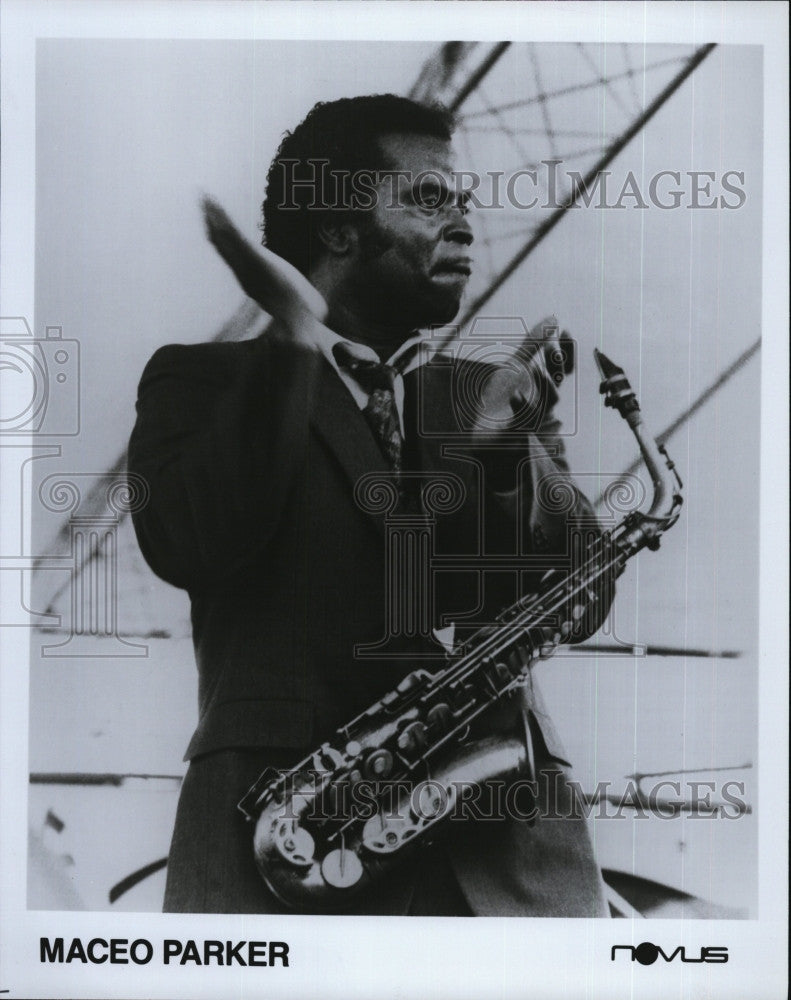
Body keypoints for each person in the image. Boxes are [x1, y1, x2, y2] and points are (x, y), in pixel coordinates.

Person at [128, 94, 612, 916]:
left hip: (503, 859)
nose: (464, 222)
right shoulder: (198, 378)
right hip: (284, 841)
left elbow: (583, 596)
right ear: (338, 229)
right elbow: (191, 542)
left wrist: (500, 466)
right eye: (429, 198)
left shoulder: (483, 393)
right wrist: (289, 342)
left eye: (462, 201)